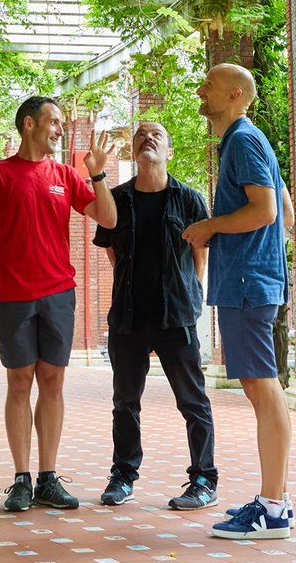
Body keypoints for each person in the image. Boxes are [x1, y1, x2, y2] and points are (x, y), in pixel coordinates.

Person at [0, 97, 116, 511]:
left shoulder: (65, 175)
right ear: (29, 124)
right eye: (54, 122)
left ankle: (48, 478)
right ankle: (21, 479)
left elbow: (109, 218)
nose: (60, 130)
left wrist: (97, 172)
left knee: (53, 383)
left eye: (62, 123)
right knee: (18, 383)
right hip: (12, 295)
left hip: (58, 293)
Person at [183, 63, 296, 540]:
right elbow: (285, 213)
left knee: (262, 389)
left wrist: (211, 228)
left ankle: (272, 509)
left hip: (248, 283)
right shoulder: (251, 140)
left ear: (234, 94)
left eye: (208, 83)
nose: (200, 89)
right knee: (261, 388)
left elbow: (267, 210)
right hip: (254, 279)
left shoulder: (244, 141)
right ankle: (277, 502)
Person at [92, 120, 219, 511]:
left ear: (169, 152)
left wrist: (187, 293)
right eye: (141, 135)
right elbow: (113, 253)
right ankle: (123, 475)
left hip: (175, 315)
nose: (148, 138)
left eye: (157, 135)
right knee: (125, 401)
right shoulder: (115, 199)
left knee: (192, 401)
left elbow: (200, 256)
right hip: (128, 319)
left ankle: (203, 479)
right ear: (132, 151)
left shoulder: (190, 200)